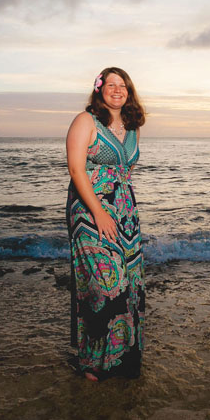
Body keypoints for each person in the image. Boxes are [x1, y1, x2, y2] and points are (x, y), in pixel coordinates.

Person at [65, 67, 146, 381]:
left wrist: (121, 206)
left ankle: (120, 359)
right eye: (110, 84)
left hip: (125, 215)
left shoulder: (132, 127)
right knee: (103, 285)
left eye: (122, 85)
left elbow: (125, 171)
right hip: (90, 212)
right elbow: (76, 169)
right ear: (98, 89)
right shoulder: (85, 121)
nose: (117, 89)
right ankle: (93, 363)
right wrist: (99, 211)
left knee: (128, 285)